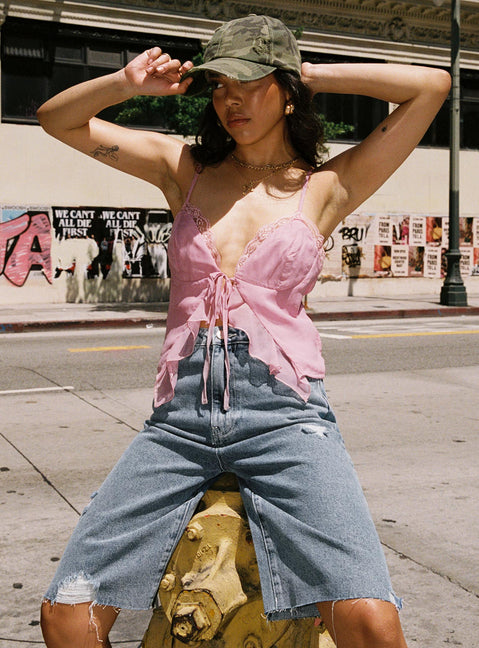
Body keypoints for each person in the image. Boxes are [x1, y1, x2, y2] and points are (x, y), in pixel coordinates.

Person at [38, 14, 450, 648]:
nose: (232, 99)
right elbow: (55, 120)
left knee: (371, 621)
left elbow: (431, 86)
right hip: (179, 424)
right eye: (221, 85)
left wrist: (309, 73)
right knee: (67, 613)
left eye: (252, 83)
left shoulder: (326, 187)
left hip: (286, 419)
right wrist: (126, 83)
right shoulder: (184, 169)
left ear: (286, 93)